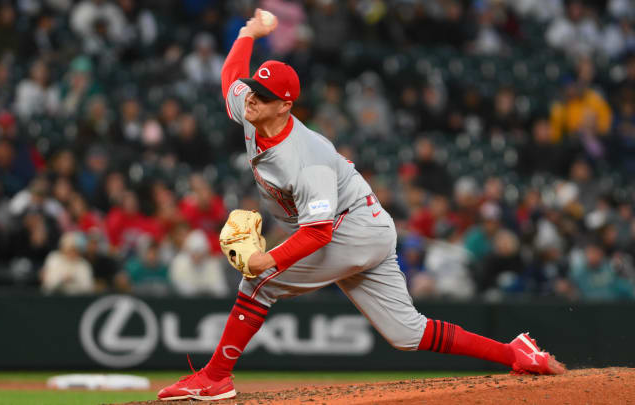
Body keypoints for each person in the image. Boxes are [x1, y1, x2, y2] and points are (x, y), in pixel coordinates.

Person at [158, 9, 566, 401]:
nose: (252, 99)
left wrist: (271, 260)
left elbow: (318, 232)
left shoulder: (306, 157)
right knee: (408, 333)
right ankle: (516, 353)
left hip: (349, 228)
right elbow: (231, 77)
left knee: (258, 282)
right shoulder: (251, 109)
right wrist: (249, 33)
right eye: (255, 90)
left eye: (263, 97)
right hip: (366, 223)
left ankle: (215, 378)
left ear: (285, 106)